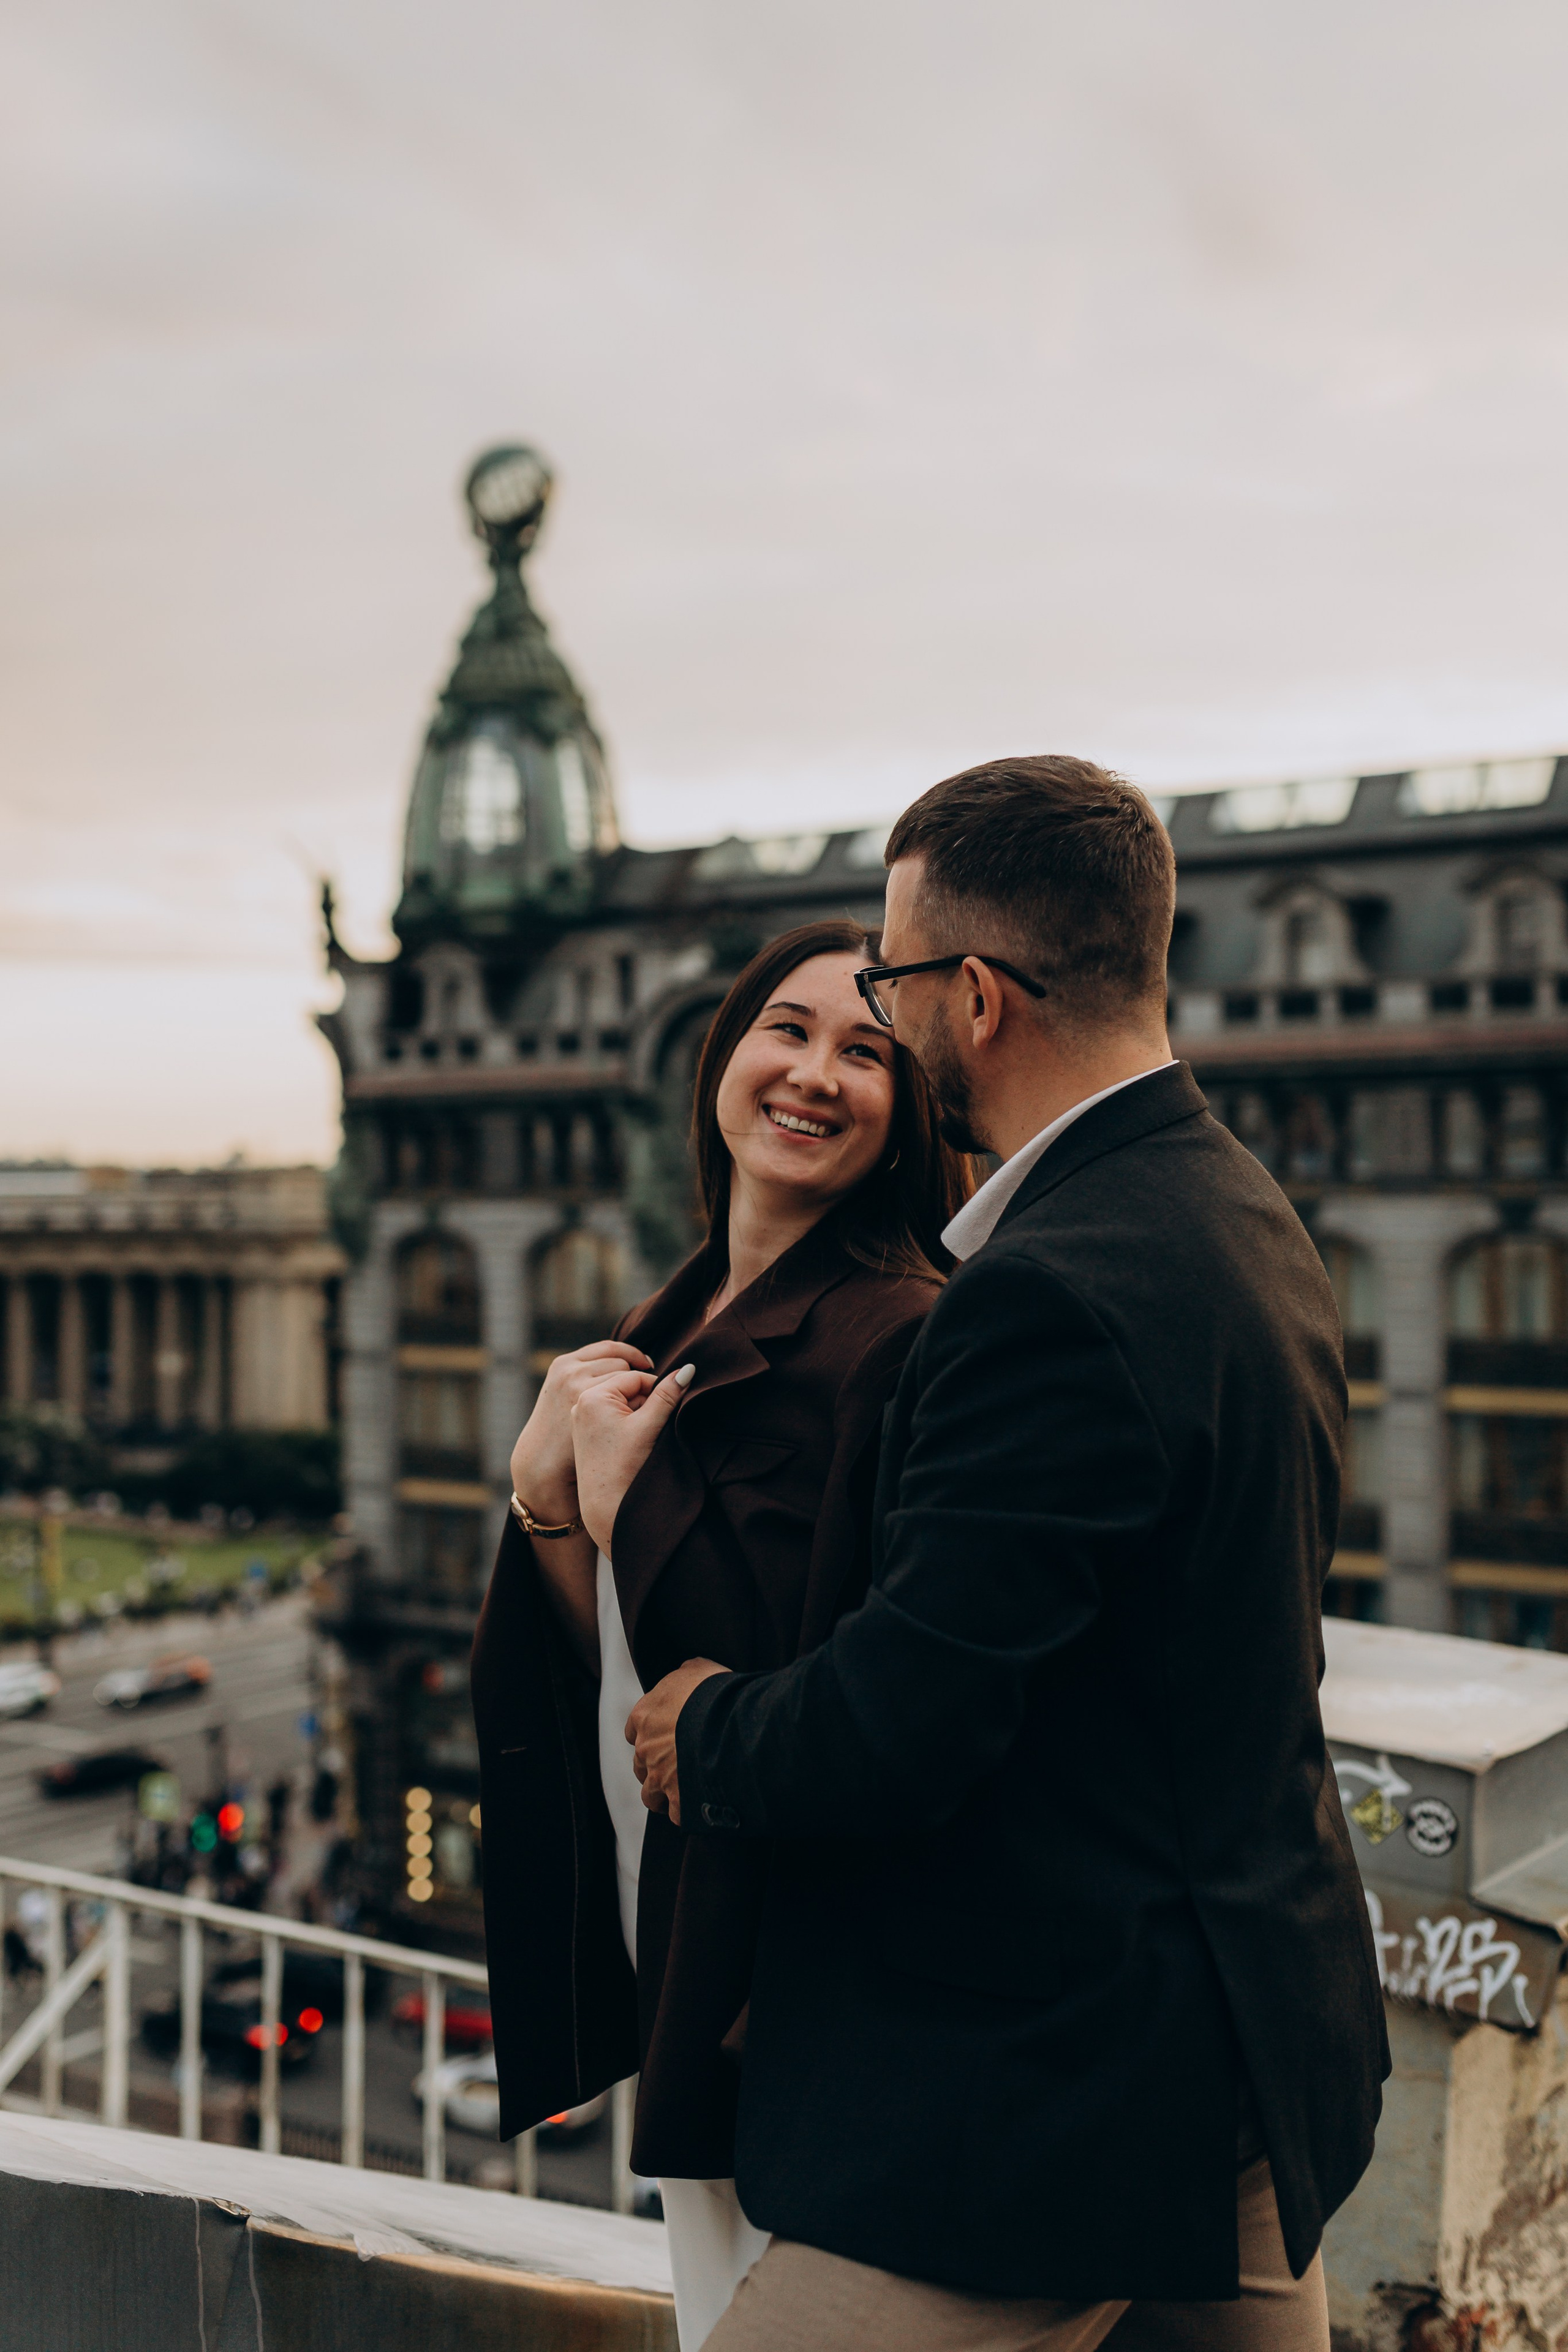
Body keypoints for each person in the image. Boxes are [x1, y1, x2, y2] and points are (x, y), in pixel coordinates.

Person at [604, 756, 1390, 2352]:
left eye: (887, 986)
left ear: (974, 996)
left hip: (1046, 2105)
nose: (875, 1024)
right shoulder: (1242, 1212)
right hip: (1250, 2070)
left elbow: (907, 1718)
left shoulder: (1044, 1295)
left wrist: (702, 1727)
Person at [471, 918, 974, 2351]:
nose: (815, 1074)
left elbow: (846, 1684)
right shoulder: (672, 1316)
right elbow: (603, 1664)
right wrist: (547, 1501)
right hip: (671, 1896)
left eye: (868, 1050)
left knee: (755, 2286)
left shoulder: (901, 1331)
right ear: (721, 1057)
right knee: (706, 2288)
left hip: (790, 1951)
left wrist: (626, 1504)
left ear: (909, 1112)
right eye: (786, 1030)